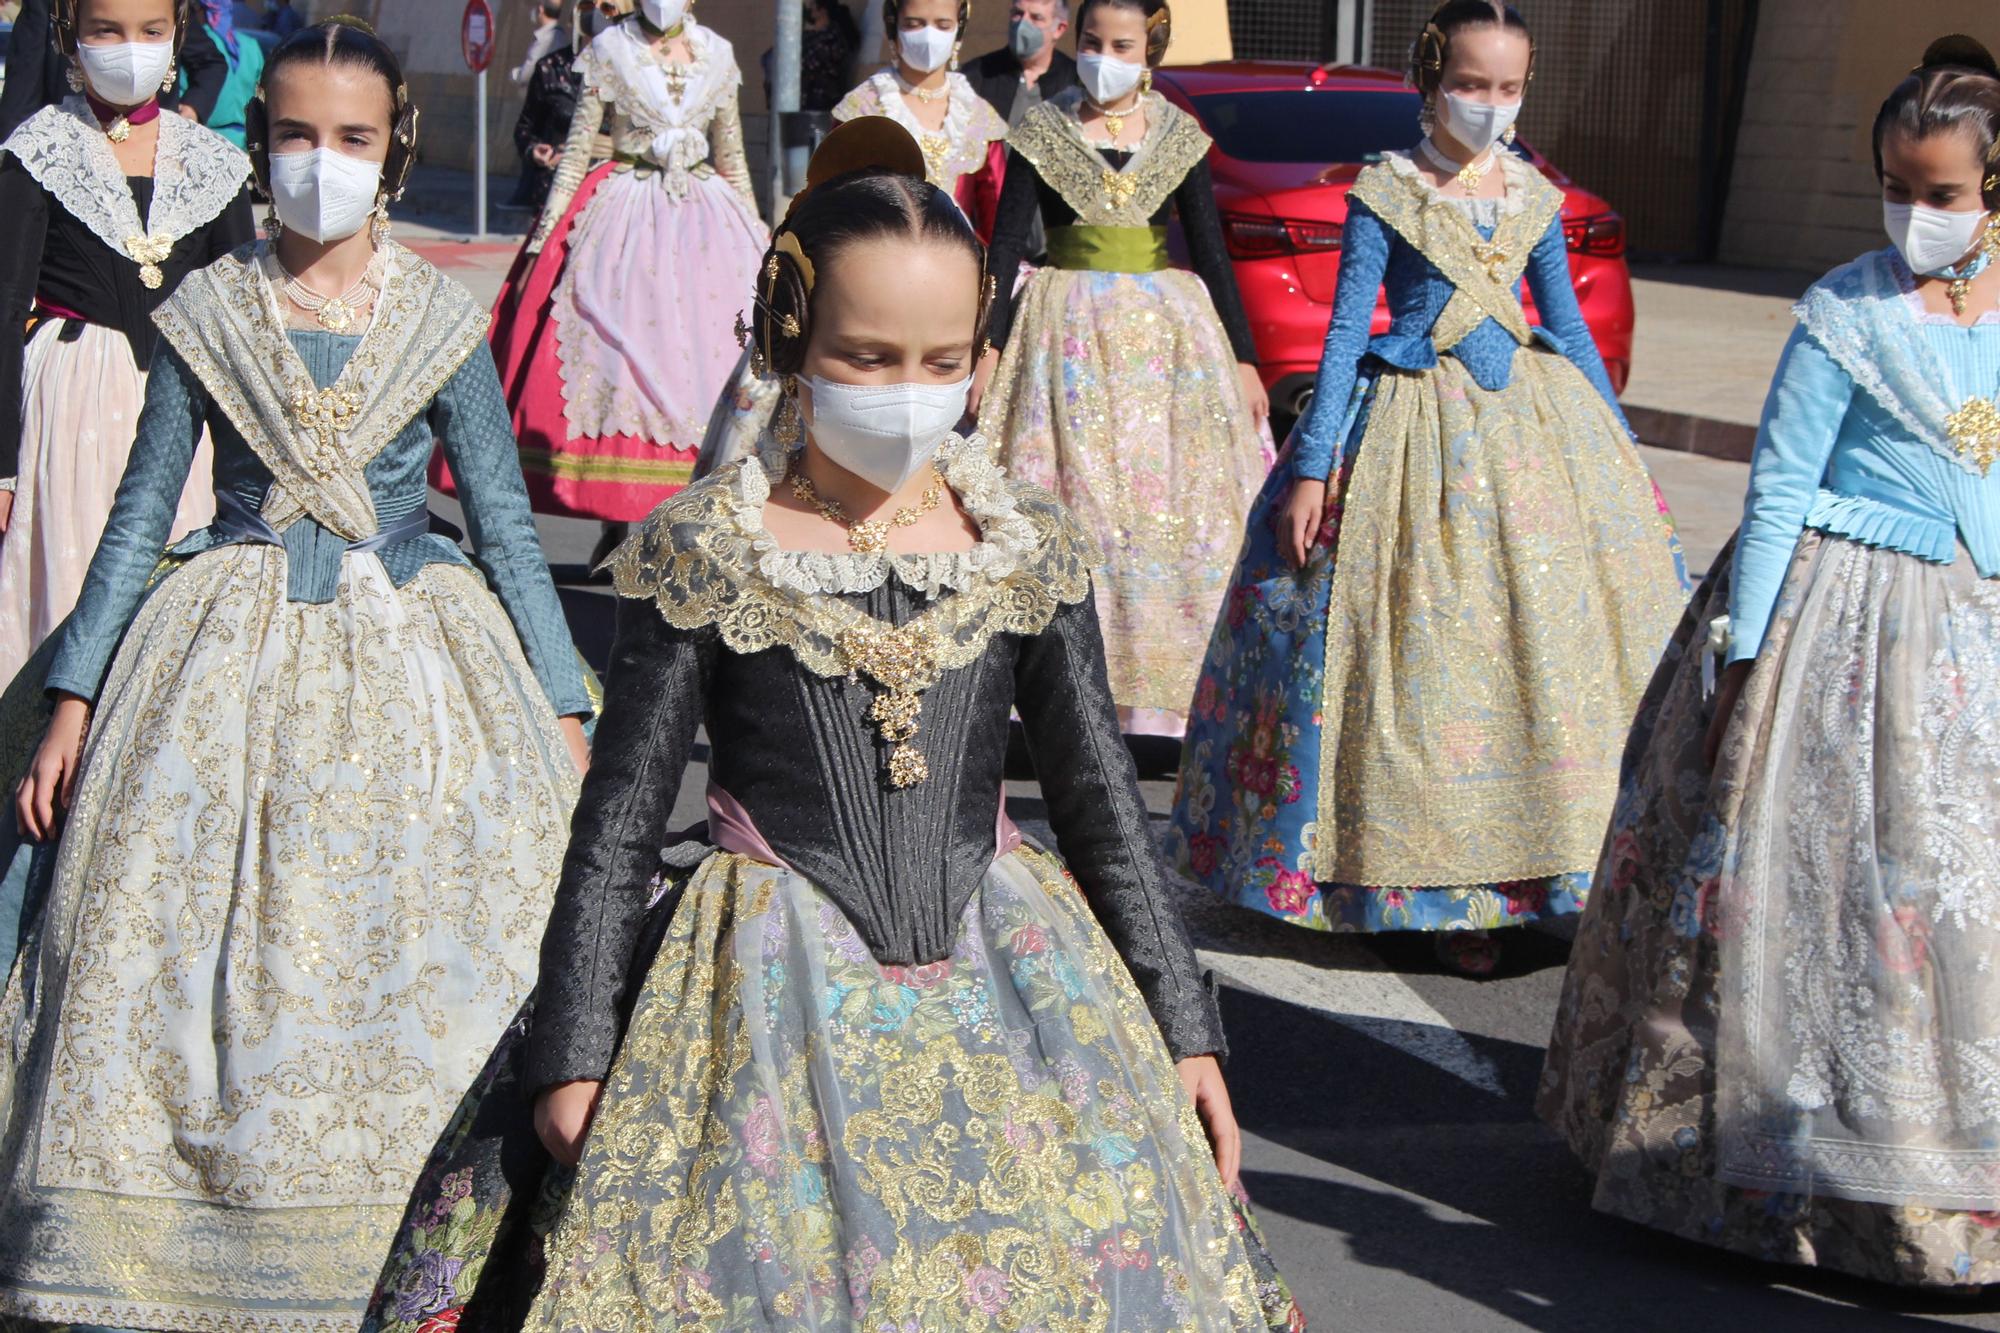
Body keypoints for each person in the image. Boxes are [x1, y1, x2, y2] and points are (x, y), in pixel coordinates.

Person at [360, 117, 1304, 1333]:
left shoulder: (1025, 546)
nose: (910, 393)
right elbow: (614, 831)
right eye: (867, 357)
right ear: (790, 338)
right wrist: (579, 1048)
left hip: (1011, 976)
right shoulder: (704, 548)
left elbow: (1103, 808)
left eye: (941, 358)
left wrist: (1182, 1025)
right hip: (755, 990)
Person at [0, 20, 593, 1329]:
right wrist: (75, 698)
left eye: (353, 139)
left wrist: (561, 702)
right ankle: (184, 1244)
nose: (322, 161)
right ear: (261, 147)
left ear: (395, 157)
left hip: (417, 659)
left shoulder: (439, 316)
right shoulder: (210, 308)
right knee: (172, 956)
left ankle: (425, 1236)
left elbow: (500, 520)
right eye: (297, 135)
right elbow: (145, 507)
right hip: (221, 637)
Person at [1541, 35, 2000, 1285]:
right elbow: (1784, 479)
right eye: (1895, 189)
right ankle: (1780, 1174)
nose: (1913, 214)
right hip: (1837, 629)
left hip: (1974, 631)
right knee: (1830, 895)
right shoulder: (1841, 308)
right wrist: (1743, 644)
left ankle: (1953, 1179)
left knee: (1956, 910)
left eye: (1941, 195)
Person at [1167, 0, 1687, 972]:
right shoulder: (1387, 190)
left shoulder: (1531, 192)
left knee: (1542, 652)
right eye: (1470, 85)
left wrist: (1620, 453)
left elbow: (1567, 328)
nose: (1488, 105)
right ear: (1428, 81)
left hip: (1530, 427)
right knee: (1427, 653)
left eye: (1507, 88)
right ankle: (1446, 895)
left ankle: (1544, 873)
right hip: (1410, 423)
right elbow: (1338, 331)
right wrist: (1313, 463)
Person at [971, 0, 1271, 739]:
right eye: (1097, 42)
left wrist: (1243, 357)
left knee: (1172, 509)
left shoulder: (1178, 136)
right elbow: (1006, 244)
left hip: (1170, 348)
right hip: (1063, 337)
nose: (1107, 56)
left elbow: (1209, 247)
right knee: (1074, 504)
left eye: (1124, 44)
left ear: (1151, 49)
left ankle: (1166, 707)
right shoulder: (1043, 130)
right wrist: (988, 346)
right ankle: (1055, 695)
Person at [0, 0, 253, 686]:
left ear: (176, 35)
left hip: (184, 407)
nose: (128, 48)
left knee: (176, 587)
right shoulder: (39, 150)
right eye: (106, 30)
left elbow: (248, 314)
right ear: (71, 37)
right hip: (71, 398)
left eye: (148, 31)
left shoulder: (211, 163)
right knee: (71, 573)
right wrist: (2, 464)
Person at [480, 0, 767, 544]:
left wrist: (762, 239)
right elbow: (576, 153)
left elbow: (733, 160)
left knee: (711, 363)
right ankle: (622, 516)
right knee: (620, 361)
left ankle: (691, 516)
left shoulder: (719, 55)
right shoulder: (610, 48)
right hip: (625, 219)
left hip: (708, 224)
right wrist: (542, 243)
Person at [832, 0, 1007, 239]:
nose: (928, 36)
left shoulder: (977, 116)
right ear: (894, 28)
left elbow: (997, 221)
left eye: (943, 25)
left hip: (959, 267)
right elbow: (835, 208)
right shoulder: (863, 109)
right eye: (914, 24)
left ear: (959, 29)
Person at [0, 0, 225, 137]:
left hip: (158, 146)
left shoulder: (165, 7)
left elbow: (210, 62)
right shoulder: (48, 4)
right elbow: (23, 88)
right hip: (73, 143)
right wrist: (16, 158)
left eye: (151, 32)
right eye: (106, 30)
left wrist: (193, 108)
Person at [505, 0, 575, 211]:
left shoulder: (548, 39)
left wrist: (515, 74)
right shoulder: (552, 67)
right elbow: (525, 130)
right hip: (554, 190)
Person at [965, 0, 1077, 126]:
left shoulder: (1075, 83)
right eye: (1017, 13)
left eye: (1036, 18)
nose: (1023, 24)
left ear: (1059, 29)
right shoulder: (975, 77)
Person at [759, 0, 860, 114]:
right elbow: (770, 57)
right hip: (803, 103)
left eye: (812, 5)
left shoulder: (831, 37)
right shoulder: (810, 36)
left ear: (822, 10)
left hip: (818, 104)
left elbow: (804, 63)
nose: (810, 8)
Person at [186, 0, 264, 146]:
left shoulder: (199, 47)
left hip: (207, 142)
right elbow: (262, 96)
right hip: (246, 142)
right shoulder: (251, 46)